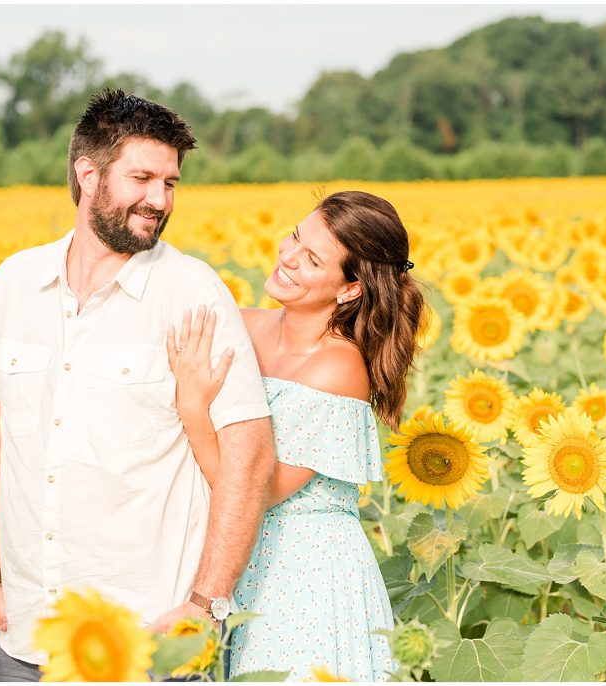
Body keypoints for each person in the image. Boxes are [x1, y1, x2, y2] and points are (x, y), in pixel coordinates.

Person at [0, 89, 277, 681]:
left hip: (148, 642)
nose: (159, 199)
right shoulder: (13, 282)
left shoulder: (191, 291)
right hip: (22, 637)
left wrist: (205, 603)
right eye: (142, 177)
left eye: (171, 183)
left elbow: (251, 457)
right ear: (88, 173)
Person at [166, 190, 423, 681]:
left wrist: (192, 408)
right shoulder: (242, 324)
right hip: (237, 561)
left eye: (311, 259)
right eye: (296, 236)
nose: (287, 257)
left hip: (305, 579)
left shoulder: (337, 370)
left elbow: (253, 493)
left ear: (349, 290)